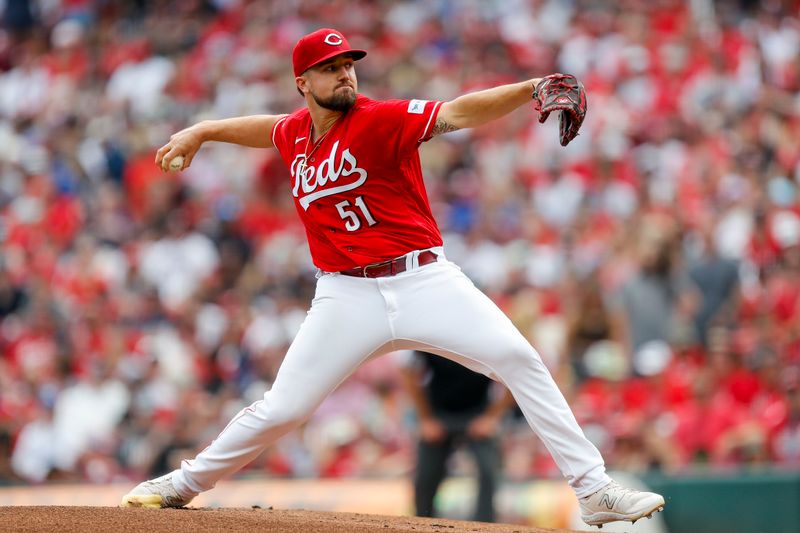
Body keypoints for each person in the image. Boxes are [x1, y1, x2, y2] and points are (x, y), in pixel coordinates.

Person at [121, 27, 665, 527]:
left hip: (424, 279)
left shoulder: (381, 118)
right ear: (302, 83)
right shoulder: (294, 133)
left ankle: (593, 489)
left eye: (349, 65)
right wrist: (203, 130)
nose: (345, 74)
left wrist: (531, 88)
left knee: (520, 360)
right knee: (282, 408)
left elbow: (457, 112)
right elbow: (266, 129)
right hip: (344, 293)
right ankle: (182, 484)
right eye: (331, 68)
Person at [401, 350, 516, 522]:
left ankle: (485, 526)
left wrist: (491, 417)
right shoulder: (433, 335)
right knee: (426, 475)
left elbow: (517, 375)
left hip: (478, 412)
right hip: (438, 413)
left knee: (488, 470)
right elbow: (408, 372)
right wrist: (426, 419)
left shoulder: (485, 337)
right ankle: (422, 523)